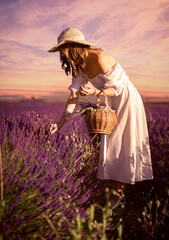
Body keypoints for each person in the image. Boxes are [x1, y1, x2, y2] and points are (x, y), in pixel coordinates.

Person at [49, 27, 153, 203]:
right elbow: (74, 96)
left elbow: (117, 89)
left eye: (63, 51)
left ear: (73, 47)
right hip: (109, 103)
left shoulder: (100, 57)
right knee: (111, 146)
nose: (62, 56)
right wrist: (60, 123)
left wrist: (97, 91)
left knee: (122, 144)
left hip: (126, 100)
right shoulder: (80, 66)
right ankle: (114, 192)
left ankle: (118, 197)